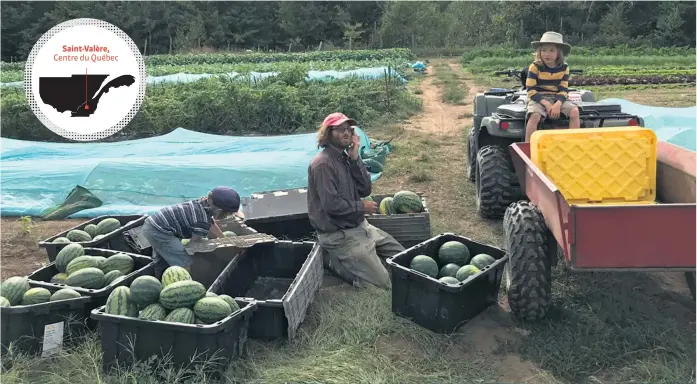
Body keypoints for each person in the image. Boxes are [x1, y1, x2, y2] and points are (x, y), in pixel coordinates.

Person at [307, 112, 405, 289]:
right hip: (339, 235)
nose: (346, 133)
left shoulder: (345, 158)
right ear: (327, 134)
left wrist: (355, 159)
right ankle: (331, 260)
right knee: (382, 284)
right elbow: (331, 205)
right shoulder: (323, 164)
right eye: (340, 129)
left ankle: (364, 257)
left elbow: (365, 189)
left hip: (360, 226)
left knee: (403, 258)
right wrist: (361, 206)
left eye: (349, 129)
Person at [141, 186, 244, 278]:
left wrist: (224, 239)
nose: (226, 217)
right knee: (183, 261)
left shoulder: (201, 205)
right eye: (227, 214)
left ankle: (159, 276)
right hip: (160, 232)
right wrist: (207, 249)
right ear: (219, 211)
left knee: (163, 256)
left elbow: (211, 224)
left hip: (153, 224)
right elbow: (194, 243)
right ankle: (182, 286)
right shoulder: (202, 221)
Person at [525, 31, 580, 142]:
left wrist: (557, 105)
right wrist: (547, 104)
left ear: (558, 53)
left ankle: (573, 143)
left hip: (557, 98)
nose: (547, 54)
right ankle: (528, 147)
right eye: (544, 50)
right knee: (534, 115)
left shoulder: (564, 67)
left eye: (551, 50)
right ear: (539, 52)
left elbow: (564, 90)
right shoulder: (535, 67)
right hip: (538, 98)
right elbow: (531, 90)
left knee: (575, 111)